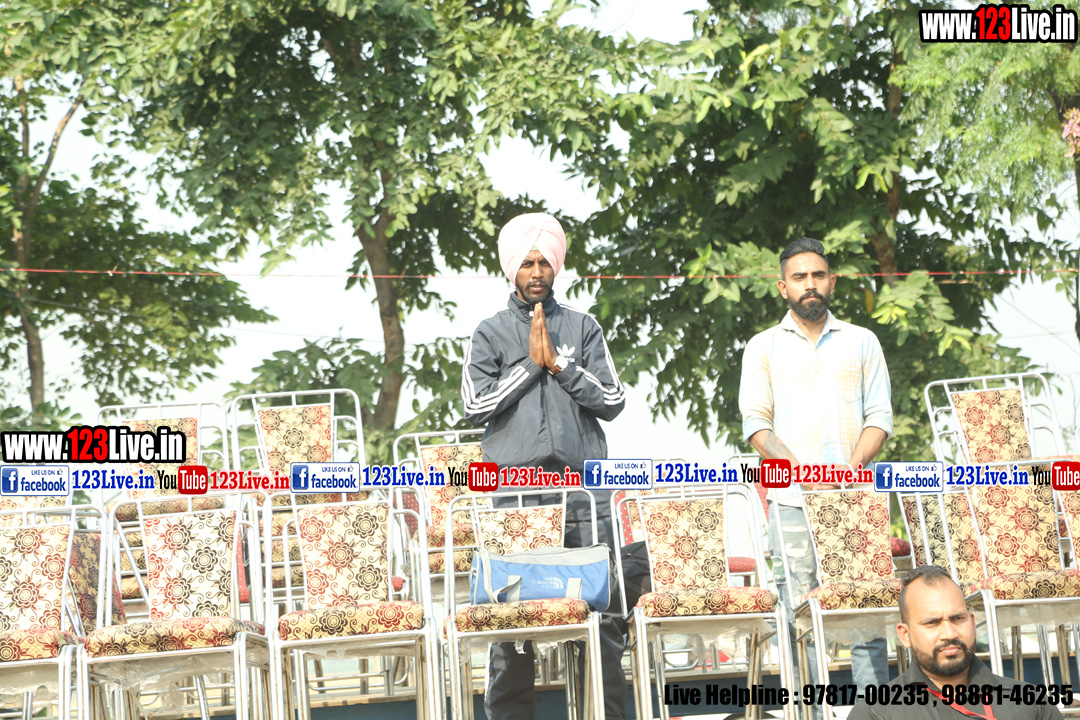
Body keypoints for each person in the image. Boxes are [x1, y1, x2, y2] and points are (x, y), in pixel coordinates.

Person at [461, 212, 627, 720]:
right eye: (527, 263)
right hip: (516, 497)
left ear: (556, 266)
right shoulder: (490, 332)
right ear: (512, 268)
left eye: (544, 263)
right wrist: (532, 365)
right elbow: (474, 404)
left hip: (583, 495)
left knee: (602, 617)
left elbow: (612, 399)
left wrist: (559, 363)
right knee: (511, 622)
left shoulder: (584, 326)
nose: (536, 272)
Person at [739, 237, 894, 697]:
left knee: (865, 609)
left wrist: (847, 473)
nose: (810, 284)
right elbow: (756, 425)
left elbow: (879, 417)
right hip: (791, 501)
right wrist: (804, 475)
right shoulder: (763, 347)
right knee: (797, 613)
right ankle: (808, 708)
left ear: (832, 282)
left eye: (818, 275)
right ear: (783, 287)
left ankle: (873, 710)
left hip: (855, 500)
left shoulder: (862, 341)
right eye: (799, 277)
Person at [849, 565, 1065, 720]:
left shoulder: (1030, 703)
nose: (949, 633)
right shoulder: (876, 712)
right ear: (905, 634)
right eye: (932, 623)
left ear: (972, 622)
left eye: (958, 619)